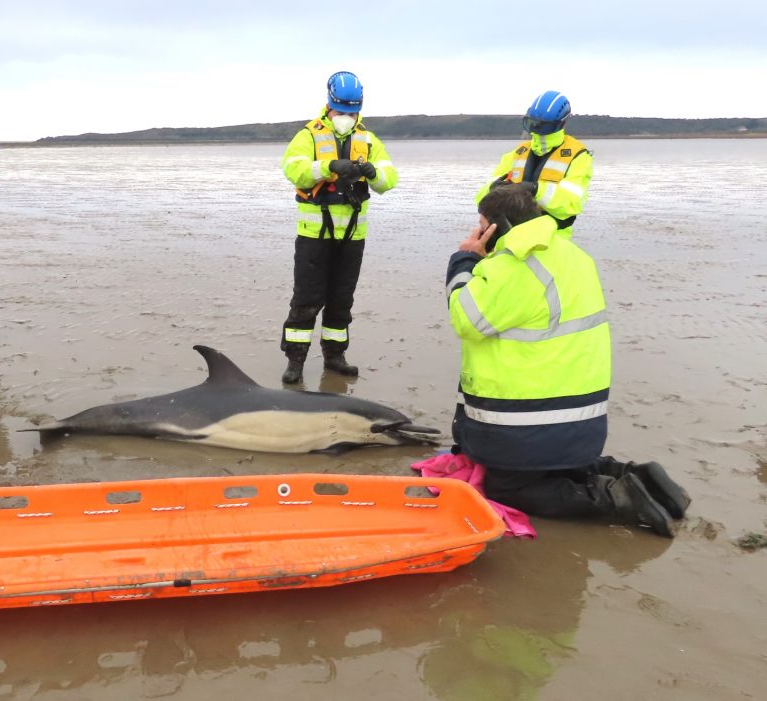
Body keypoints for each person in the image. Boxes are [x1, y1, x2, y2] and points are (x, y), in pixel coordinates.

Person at [444, 185, 690, 537]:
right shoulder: (572, 254)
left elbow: (466, 319)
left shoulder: (516, 263)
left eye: (482, 225)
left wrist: (465, 259)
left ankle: (617, 498)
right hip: (580, 420)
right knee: (554, 468)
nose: (478, 233)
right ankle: (638, 476)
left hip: (530, 422)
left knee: (506, 486)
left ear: (498, 226)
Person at [279, 71, 399, 384]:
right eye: (340, 110)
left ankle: (335, 356)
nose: (345, 116)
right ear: (329, 105)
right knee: (306, 300)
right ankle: (295, 360)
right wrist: (328, 167)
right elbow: (294, 169)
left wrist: (372, 172)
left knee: (341, 300)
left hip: (353, 235)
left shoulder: (369, 140)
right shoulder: (309, 135)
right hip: (314, 234)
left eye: (351, 111)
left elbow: (389, 180)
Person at [476, 90, 592, 237]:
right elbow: (481, 198)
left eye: (544, 126)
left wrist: (536, 189)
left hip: (551, 239)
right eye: (532, 124)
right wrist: (493, 189)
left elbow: (572, 203)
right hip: (510, 236)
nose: (536, 130)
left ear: (560, 123)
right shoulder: (518, 153)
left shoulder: (578, 156)